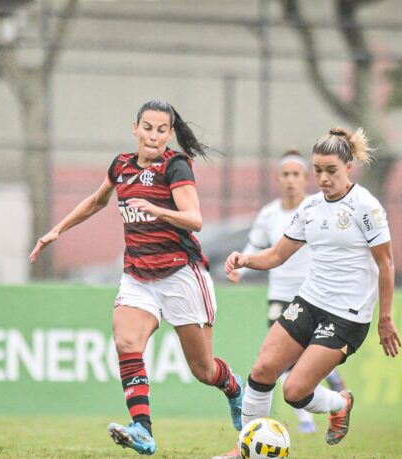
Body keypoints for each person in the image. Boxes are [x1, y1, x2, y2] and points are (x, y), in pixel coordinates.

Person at [29, 100, 244, 456]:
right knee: (126, 342)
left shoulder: (176, 166)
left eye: (162, 130)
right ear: (135, 128)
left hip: (181, 275)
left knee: (204, 370)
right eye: (148, 128)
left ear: (170, 134)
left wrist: (158, 209)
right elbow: (98, 201)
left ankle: (234, 388)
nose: (154, 136)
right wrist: (57, 230)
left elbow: (195, 219)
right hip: (138, 275)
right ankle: (142, 429)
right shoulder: (121, 165)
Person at [224, 127, 402, 447]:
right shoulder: (309, 208)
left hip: (347, 316)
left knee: (294, 391)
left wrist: (385, 318)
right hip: (309, 301)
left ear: (349, 167)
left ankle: (340, 403)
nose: (322, 178)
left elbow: (385, 264)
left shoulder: (366, 207)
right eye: (317, 170)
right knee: (263, 369)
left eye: (331, 170)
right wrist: (245, 260)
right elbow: (278, 254)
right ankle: (244, 449)